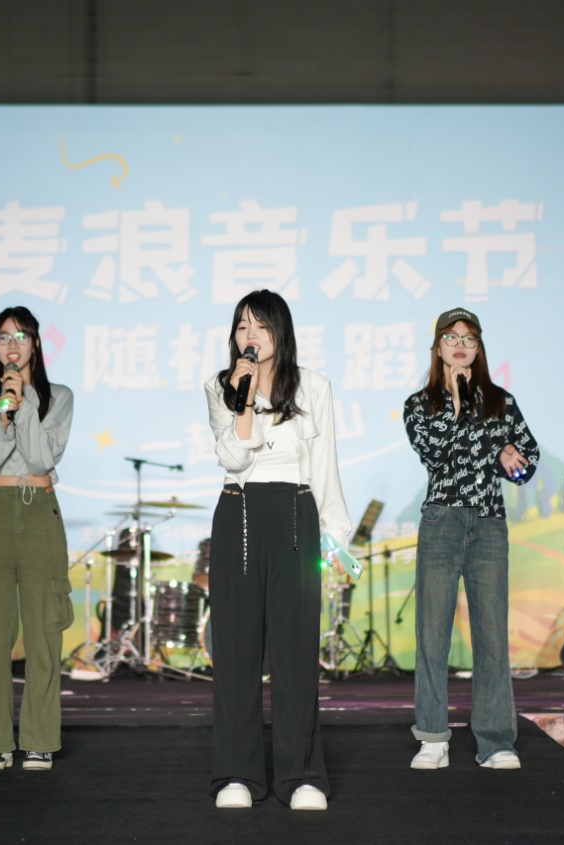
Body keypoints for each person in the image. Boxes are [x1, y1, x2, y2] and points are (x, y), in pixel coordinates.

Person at [205, 289, 352, 812]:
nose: (250, 336)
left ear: (280, 332)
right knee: (236, 653)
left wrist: (336, 537)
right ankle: (237, 774)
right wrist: (242, 398)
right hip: (239, 515)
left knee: (295, 652)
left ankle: (302, 774)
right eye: (242, 326)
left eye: (261, 326)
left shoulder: (313, 386)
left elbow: (325, 465)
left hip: (295, 514)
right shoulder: (220, 387)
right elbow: (233, 457)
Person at [403, 307, 539, 772]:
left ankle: (496, 741)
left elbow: (527, 464)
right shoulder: (420, 405)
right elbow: (435, 455)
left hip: (489, 523)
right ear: (437, 346)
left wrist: (511, 458)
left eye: (470, 338)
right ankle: (433, 737)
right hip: (441, 521)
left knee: (492, 636)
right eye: (452, 337)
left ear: (479, 348)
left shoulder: (502, 401)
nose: (461, 345)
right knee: (432, 636)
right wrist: (458, 404)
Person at [0, 306, 74, 773]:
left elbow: (42, 458)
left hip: (39, 511)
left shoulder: (58, 397)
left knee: (45, 630)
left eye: (21, 336)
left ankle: (39, 740)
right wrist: (2, 415)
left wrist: (24, 404)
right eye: (3, 337)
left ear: (36, 345)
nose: (12, 345)